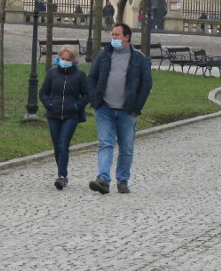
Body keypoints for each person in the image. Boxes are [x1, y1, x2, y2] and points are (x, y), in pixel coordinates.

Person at [87, 23, 152, 195]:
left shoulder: (138, 58)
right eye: (112, 35)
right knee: (105, 143)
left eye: (117, 35)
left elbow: (146, 83)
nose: (113, 38)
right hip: (105, 108)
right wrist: (95, 100)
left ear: (126, 37)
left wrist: (137, 107)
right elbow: (92, 77)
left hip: (127, 110)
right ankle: (103, 179)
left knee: (126, 147)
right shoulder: (104, 55)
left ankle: (122, 180)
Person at [40, 45, 91, 190]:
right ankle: (62, 174)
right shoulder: (52, 73)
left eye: (67, 59)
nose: (64, 61)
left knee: (63, 144)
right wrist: (48, 104)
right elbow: (43, 92)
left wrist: (77, 106)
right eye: (62, 59)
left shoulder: (80, 75)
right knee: (57, 146)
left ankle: (62, 176)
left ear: (73, 60)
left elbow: (87, 95)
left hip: (71, 115)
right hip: (53, 114)